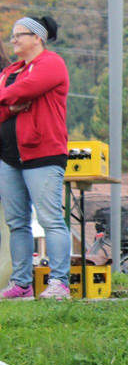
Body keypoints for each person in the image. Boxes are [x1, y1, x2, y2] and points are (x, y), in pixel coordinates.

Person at [0, 17, 72, 300]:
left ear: (37, 38)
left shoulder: (52, 63)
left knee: (50, 219)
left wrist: (6, 98)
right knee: (17, 222)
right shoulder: (10, 71)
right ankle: (21, 283)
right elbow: (7, 105)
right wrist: (9, 107)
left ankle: (59, 283)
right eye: (13, 35)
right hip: (9, 156)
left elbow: (25, 90)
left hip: (43, 153)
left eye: (20, 34)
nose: (14, 39)